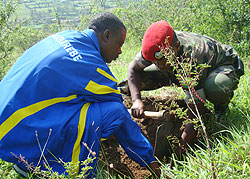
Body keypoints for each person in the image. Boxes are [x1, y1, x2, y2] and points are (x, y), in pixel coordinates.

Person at [0, 12, 162, 178]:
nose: (120, 51)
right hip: (18, 129)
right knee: (115, 112)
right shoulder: (92, 67)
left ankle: (28, 159)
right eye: (119, 44)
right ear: (106, 35)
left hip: (7, 119)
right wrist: (152, 164)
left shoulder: (66, 36)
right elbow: (121, 117)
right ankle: (45, 166)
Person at [119, 20, 244, 165]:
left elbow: (196, 114)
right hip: (176, 66)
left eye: (161, 60)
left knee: (217, 87)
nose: (158, 66)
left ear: (177, 46)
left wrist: (179, 152)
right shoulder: (157, 48)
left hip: (218, 66)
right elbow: (133, 69)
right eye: (153, 61)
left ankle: (220, 110)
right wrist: (136, 100)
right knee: (129, 85)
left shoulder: (192, 57)